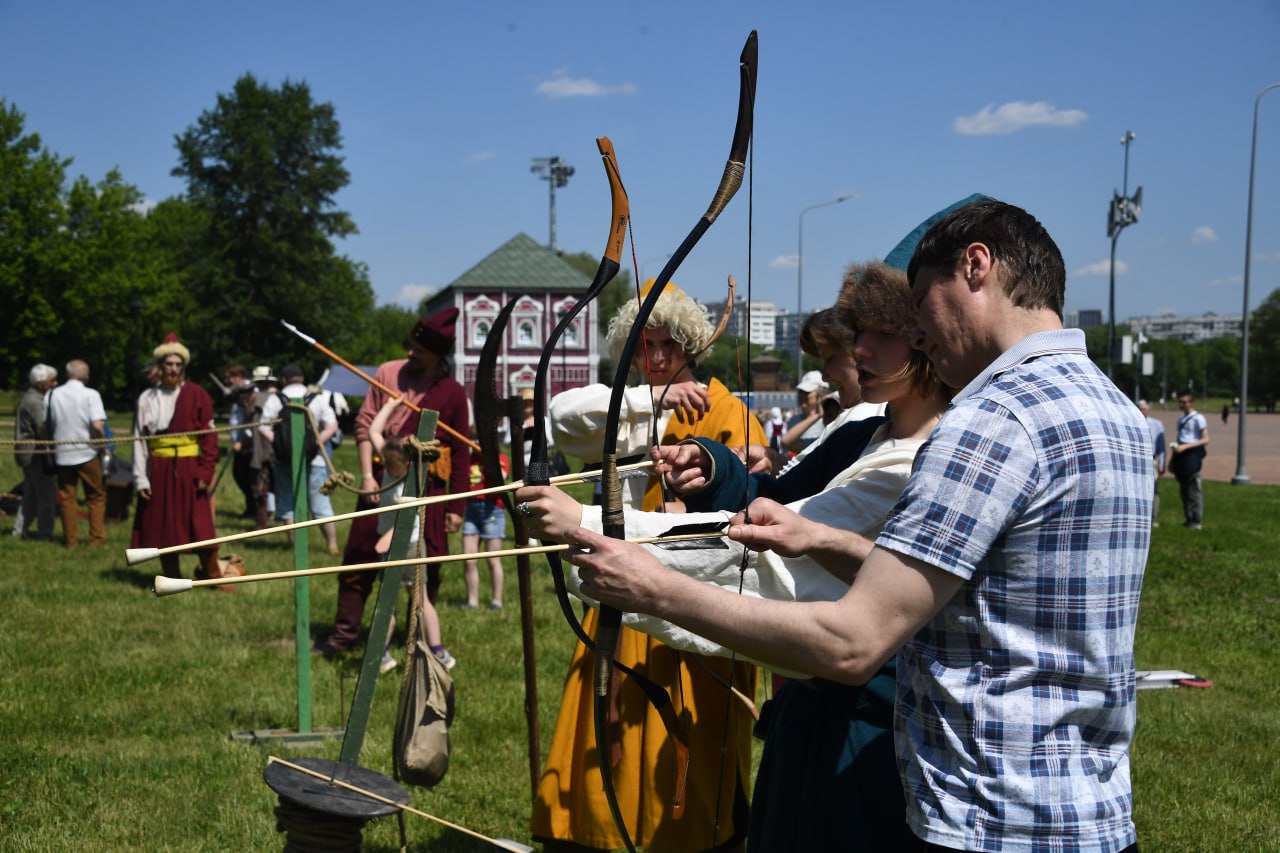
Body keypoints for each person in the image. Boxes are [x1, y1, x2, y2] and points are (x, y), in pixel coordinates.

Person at [557, 199, 1150, 852]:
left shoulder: (988, 422)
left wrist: (653, 586)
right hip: (1091, 816)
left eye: (921, 309)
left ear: (976, 265)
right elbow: (993, 589)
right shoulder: (1117, 414)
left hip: (987, 819)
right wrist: (827, 538)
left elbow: (853, 642)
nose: (920, 337)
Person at [520, 260, 948, 850]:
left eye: (883, 334)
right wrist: (713, 464)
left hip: (813, 678)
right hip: (688, 609)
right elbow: (769, 502)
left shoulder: (914, 456)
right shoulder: (862, 430)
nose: (860, 352)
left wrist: (591, 527)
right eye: (858, 335)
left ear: (925, 341)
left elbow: (773, 549)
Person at [535, 280, 765, 853]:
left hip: (696, 610)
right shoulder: (629, 405)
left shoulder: (728, 410)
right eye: (645, 346)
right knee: (601, 737)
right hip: (619, 601)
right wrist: (647, 401)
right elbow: (560, 418)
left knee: (689, 741)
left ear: (690, 345)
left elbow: (746, 513)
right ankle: (596, 836)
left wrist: (691, 503)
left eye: (668, 346)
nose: (656, 358)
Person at [312, 307, 470, 655]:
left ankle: (420, 639)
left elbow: (460, 453)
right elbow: (367, 424)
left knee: (426, 568)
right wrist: (369, 476)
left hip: (427, 493)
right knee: (359, 559)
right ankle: (344, 635)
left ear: (437, 356)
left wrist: (456, 506)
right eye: (411, 346)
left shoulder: (453, 393)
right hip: (382, 484)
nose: (411, 353)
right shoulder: (388, 372)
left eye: (420, 350)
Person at [368, 398, 455, 673]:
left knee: (411, 600)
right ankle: (384, 655)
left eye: (393, 468)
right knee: (395, 601)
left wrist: (387, 538)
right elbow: (374, 431)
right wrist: (391, 405)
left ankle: (436, 651)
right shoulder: (392, 464)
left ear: (406, 465)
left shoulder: (411, 480)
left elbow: (410, 518)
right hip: (395, 544)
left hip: (407, 545)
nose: (389, 470)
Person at [131, 334, 221, 581]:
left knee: (201, 525)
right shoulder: (146, 398)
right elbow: (140, 441)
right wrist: (141, 479)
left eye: (177, 365)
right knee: (164, 528)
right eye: (169, 364)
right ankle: (173, 577)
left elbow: (210, 438)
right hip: (158, 469)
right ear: (160, 367)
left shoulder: (198, 394)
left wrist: (205, 472)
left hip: (189, 468)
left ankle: (214, 576)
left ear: (183, 367)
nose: (173, 369)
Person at [259, 364, 339, 552]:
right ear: (302, 379)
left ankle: (296, 548)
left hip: (283, 459)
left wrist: (279, 443)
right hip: (315, 459)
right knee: (320, 503)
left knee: (288, 502)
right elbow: (332, 425)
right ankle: (332, 545)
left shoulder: (275, 400)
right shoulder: (317, 399)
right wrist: (317, 442)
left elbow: (263, 428)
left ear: (283, 380)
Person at [46, 359, 108, 548]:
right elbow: (97, 425)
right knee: (96, 498)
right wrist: (103, 446)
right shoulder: (91, 394)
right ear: (84, 375)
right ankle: (96, 540)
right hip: (87, 453)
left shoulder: (51, 394)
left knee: (67, 499)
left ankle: (70, 541)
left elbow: (45, 423)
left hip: (62, 454)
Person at [13, 363, 59, 540]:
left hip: (27, 453)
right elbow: (42, 429)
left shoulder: (30, 397)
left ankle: (18, 531)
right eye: (51, 380)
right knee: (46, 495)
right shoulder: (36, 402)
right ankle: (45, 533)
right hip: (36, 455)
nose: (55, 383)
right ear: (41, 383)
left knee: (31, 495)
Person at [461, 441, 507, 610]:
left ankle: (497, 600)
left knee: (492, 560)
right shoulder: (468, 459)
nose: (476, 443)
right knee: (468, 559)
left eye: (481, 439)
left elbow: (501, 477)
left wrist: (489, 459)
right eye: (474, 439)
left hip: (492, 511)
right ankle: (472, 601)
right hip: (472, 511)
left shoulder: (499, 458)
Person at [223, 363, 260, 519]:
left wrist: (244, 441)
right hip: (240, 441)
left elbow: (252, 419)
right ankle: (251, 507)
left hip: (248, 442)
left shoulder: (250, 391)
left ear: (237, 377)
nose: (227, 382)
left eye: (229, 378)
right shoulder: (236, 392)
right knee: (240, 475)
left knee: (247, 477)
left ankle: (256, 508)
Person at [1170, 392, 1209, 529]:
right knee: (1184, 489)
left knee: (1194, 489)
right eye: (1181, 402)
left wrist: (1186, 446)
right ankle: (1188, 518)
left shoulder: (1198, 418)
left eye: (1185, 402)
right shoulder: (1180, 420)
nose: (1182, 404)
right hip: (1181, 454)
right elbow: (1180, 436)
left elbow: (1205, 439)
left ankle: (1196, 519)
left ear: (1191, 402)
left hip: (1191, 453)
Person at [779, 370, 827, 453]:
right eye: (800, 391)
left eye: (806, 392)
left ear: (820, 395)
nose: (802, 395)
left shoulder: (827, 421)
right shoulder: (794, 420)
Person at [1138, 399, 1166, 526]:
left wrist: (1162, 464)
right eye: (1140, 409)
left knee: (1153, 489)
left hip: (1151, 460)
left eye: (1144, 409)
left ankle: (1153, 517)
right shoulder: (1133, 422)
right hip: (1137, 459)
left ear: (1148, 410)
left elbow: (1161, 447)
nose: (1142, 411)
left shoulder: (1156, 424)